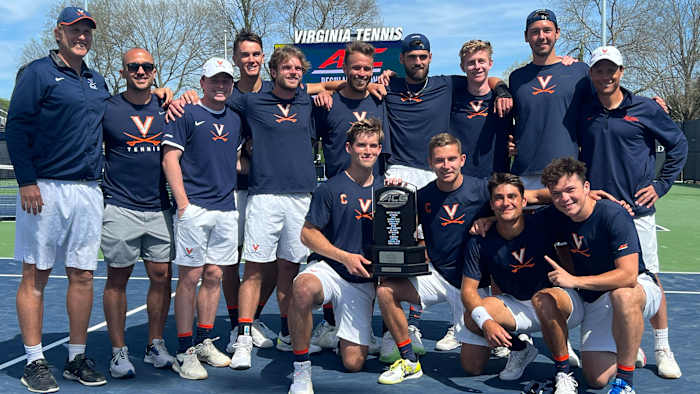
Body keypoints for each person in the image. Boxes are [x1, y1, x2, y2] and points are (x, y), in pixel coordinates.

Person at [376, 133, 549, 384]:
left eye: (451, 159)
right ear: (430, 163)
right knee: (386, 291)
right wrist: (395, 192)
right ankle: (409, 360)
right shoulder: (422, 195)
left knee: (472, 368)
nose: (446, 165)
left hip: (473, 283)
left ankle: (519, 348)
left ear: (462, 159)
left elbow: (533, 198)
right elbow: (398, 227)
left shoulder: (483, 189)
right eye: (439, 160)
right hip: (436, 275)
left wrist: (586, 196)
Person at [6, 7, 110, 391]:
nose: (81, 36)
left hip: (87, 190)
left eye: (86, 31)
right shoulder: (37, 73)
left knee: (83, 275)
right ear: (58, 34)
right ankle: (34, 361)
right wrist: (27, 181)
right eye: (74, 30)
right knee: (36, 275)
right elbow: (15, 128)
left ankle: (75, 357)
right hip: (44, 189)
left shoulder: (98, 82)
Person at [578, 45, 687, 379]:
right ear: (592, 75)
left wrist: (660, 185)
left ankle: (662, 347)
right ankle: (629, 341)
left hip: (637, 213)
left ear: (622, 72)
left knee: (648, 279)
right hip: (598, 216)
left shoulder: (645, 109)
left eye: (611, 70)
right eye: (599, 70)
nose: (605, 76)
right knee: (612, 283)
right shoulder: (584, 111)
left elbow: (679, 145)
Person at [228, 45, 321, 370]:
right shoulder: (252, 101)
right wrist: (176, 95)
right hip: (264, 197)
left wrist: (335, 87)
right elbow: (214, 97)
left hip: (300, 199)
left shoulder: (306, 99)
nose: (293, 73)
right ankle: (243, 337)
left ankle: (285, 332)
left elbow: (332, 85)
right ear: (274, 72)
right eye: (287, 68)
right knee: (254, 269)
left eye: (298, 69)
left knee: (290, 270)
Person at [538, 157, 662, 394]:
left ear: (587, 188)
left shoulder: (612, 213)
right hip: (596, 296)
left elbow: (628, 276)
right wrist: (488, 220)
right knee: (596, 379)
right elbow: (516, 207)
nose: (565, 198)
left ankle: (625, 382)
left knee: (623, 296)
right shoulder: (556, 215)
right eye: (556, 194)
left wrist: (575, 281)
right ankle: (628, 342)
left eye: (570, 190)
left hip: (637, 287)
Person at [459, 173, 583, 393]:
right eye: (499, 198)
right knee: (472, 318)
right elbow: (468, 290)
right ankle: (521, 348)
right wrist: (487, 323)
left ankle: (563, 372)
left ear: (524, 201)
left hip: (560, 302)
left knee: (543, 299)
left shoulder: (543, 221)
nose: (506, 203)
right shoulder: (479, 240)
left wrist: (590, 193)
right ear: (491, 204)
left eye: (512, 196)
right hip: (518, 305)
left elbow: (563, 195)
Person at [288, 118, 386, 393]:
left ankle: (336, 337)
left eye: (372, 145)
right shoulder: (329, 188)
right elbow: (308, 234)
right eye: (361, 145)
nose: (367, 151)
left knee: (354, 363)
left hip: (362, 281)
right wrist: (344, 256)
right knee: (303, 288)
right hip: (331, 269)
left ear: (379, 149)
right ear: (349, 148)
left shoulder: (388, 190)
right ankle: (301, 370)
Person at [162, 57, 242, 379]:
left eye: (226, 80)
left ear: (231, 85)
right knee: (190, 278)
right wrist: (183, 205)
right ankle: (184, 351)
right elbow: (170, 159)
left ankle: (204, 340)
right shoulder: (187, 112)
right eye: (214, 80)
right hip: (194, 209)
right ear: (202, 83)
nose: (220, 85)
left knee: (213, 277)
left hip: (226, 210)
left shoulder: (236, 119)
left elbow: (233, 161)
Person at [310, 40, 389, 351]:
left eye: (367, 68)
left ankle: (372, 329)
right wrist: (328, 87)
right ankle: (330, 324)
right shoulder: (326, 102)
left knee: (372, 261)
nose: (361, 73)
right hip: (334, 196)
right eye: (355, 67)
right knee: (329, 259)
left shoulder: (379, 100)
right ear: (344, 68)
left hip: (372, 195)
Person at [101, 48, 176, 379]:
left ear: (154, 70)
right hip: (119, 206)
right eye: (134, 66)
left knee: (161, 277)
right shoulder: (108, 108)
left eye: (147, 66)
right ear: (123, 72)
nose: (141, 71)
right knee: (118, 279)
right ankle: (118, 352)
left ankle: (154, 345)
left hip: (160, 208)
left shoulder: (168, 106)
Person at [508, 9, 591, 191]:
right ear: (526, 37)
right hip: (525, 173)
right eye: (535, 32)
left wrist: (651, 103)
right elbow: (511, 121)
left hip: (568, 173)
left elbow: (605, 105)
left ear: (557, 33)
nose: (541, 36)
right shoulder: (516, 78)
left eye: (547, 30)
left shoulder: (579, 71)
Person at [449, 40, 510, 180]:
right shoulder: (451, 98)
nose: (477, 67)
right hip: (461, 181)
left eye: (481, 61)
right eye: (471, 62)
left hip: (498, 180)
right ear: (462, 67)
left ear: (490, 63)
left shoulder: (504, 99)